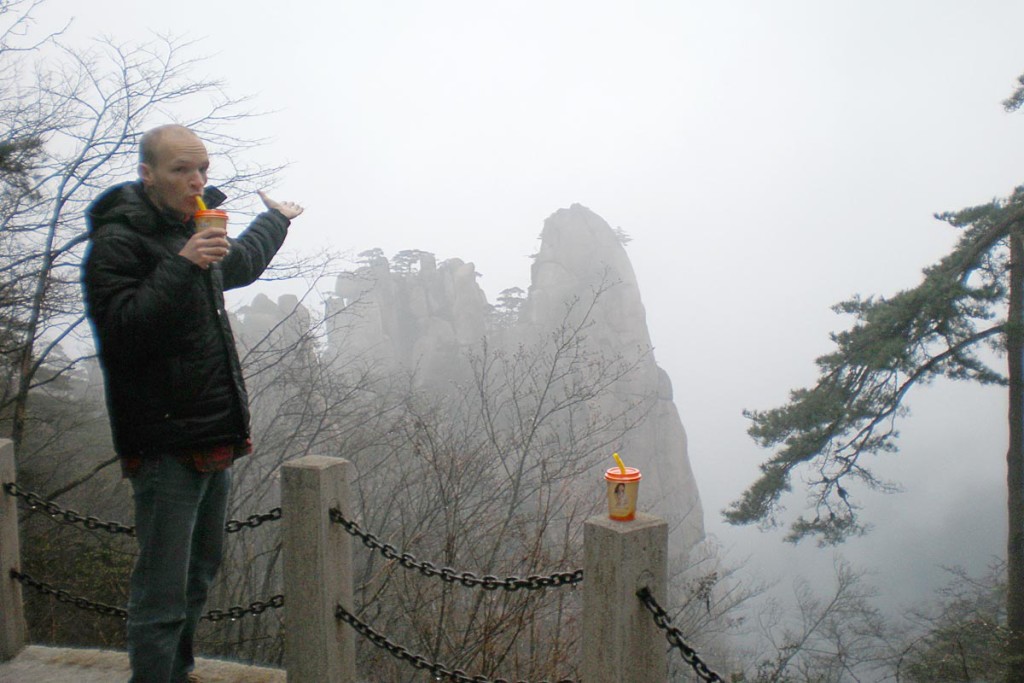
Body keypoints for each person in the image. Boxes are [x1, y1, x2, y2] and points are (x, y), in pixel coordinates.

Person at [81, 124, 304, 683]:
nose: (197, 180)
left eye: (202, 169)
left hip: (210, 434)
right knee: (161, 591)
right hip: (162, 442)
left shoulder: (192, 227)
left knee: (198, 576)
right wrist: (182, 264)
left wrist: (275, 220)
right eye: (182, 170)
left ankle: (175, 673)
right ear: (147, 174)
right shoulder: (119, 241)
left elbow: (239, 264)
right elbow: (121, 331)